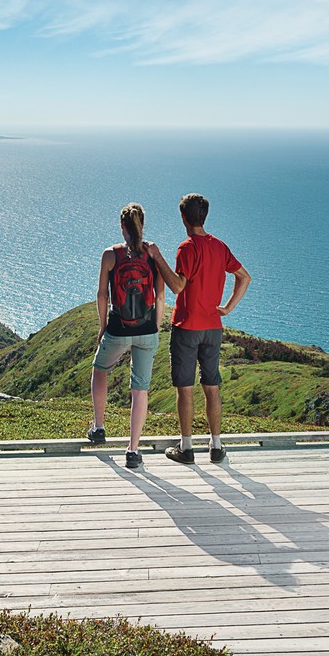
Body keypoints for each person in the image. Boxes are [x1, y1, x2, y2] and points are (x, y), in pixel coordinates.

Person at [87, 203, 179, 469]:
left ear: (121, 226)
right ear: (143, 224)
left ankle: (99, 427)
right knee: (140, 389)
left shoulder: (110, 254)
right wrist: (155, 325)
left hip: (118, 328)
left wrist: (103, 326)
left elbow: (102, 295)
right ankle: (133, 450)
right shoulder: (152, 254)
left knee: (100, 369)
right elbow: (160, 296)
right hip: (147, 330)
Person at [161, 193, 251, 465]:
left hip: (187, 327)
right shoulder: (220, 246)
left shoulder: (186, 248)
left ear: (183, 217)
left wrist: (157, 259)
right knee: (212, 386)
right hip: (213, 327)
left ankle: (186, 448)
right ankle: (216, 446)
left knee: (185, 389)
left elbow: (178, 286)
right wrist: (228, 308)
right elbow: (244, 277)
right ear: (204, 216)